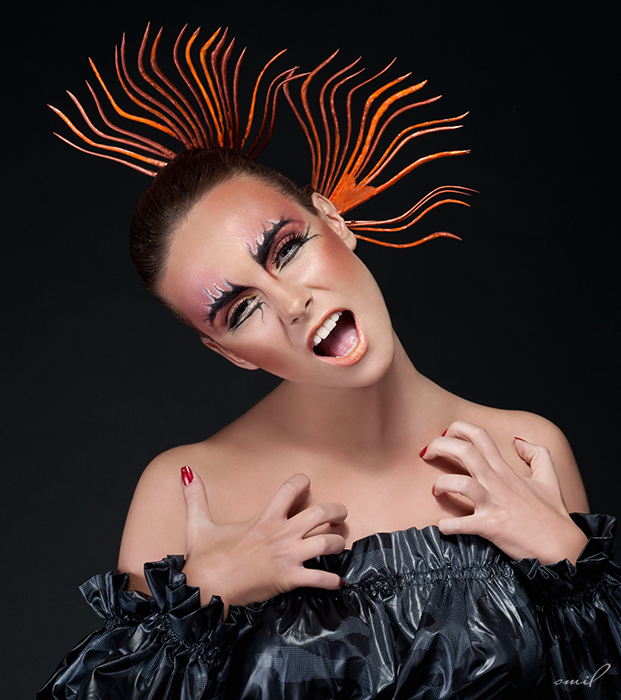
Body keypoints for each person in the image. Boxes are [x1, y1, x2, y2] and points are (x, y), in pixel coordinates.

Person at [39, 25, 621, 700]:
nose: (291, 304)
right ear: (227, 352)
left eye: (286, 249)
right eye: (241, 310)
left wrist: (566, 564)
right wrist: (202, 598)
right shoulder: (183, 492)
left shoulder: (524, 452)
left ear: (334, 220)